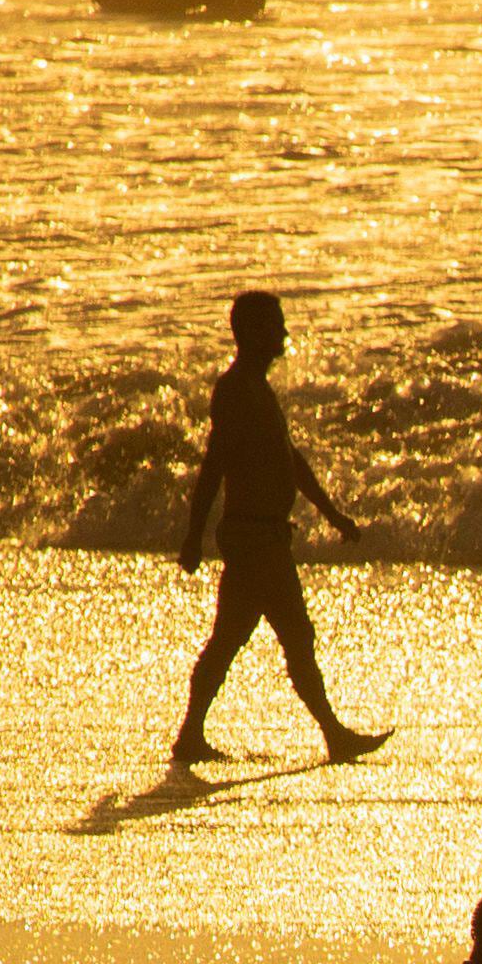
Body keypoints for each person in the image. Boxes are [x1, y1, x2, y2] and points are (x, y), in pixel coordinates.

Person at [171, 290, 387, 768]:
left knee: (230, 639)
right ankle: (333, 734)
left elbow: (290, 461)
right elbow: (215, 465)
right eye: (275, 325)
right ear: (250, 333)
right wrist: (193, 537)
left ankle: (190, 736)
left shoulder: (257, 388)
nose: (284, 333)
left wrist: (332, 514)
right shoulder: (234, 390)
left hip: (266, 536)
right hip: (253, 541)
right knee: (293, 634)